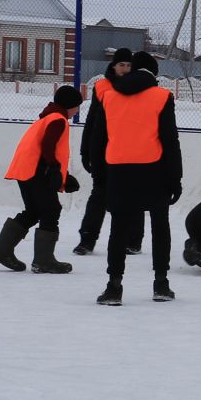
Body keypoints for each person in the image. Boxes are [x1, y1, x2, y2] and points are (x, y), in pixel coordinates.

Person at [91, 51, 182, 305]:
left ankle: (114, 287)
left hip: (119, 171)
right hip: (154, 171)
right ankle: (161, 284)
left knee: (118, 229)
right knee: (159, 226)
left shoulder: (109, 97)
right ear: (154, 74)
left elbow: (99, 140)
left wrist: (100, 176)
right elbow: (170, 141)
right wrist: (175, 178)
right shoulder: (162, 97)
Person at [0, 85, 84, 274]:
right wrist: (55, 169)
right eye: (77, 106)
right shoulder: (58, 120)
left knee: (34, 211)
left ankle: (2, 250)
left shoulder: (47, 117)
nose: (78, 110)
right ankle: (44, 261)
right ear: (70, 105)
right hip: (36, 172)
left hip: (26, 171)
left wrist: (63, 176)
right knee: (51, 210)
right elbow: (48, 146)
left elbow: (44, 150)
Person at [74, 48, 142, 257]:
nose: (125, 69)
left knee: (132, 197)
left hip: (130, 151)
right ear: (113, 65)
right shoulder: (102, 86)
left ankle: (133, 241)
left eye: (128, 65)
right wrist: (86, 151)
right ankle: (87, 240)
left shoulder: (138, 87)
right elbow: (92, 120)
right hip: (104, 151)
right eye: (121, 64)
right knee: (99, 196)